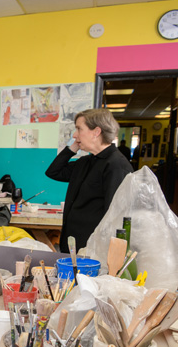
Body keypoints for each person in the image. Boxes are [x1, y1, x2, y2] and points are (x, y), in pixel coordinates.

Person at [45, 108, 132, 253]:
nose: (74, 135)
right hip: (72, 242)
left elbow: (114, 215)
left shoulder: (116, 165)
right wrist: (73, 148)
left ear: (96, 132)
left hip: (92, 248)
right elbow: (54, 172)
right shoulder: (86, 161)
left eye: (79, 129)